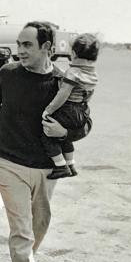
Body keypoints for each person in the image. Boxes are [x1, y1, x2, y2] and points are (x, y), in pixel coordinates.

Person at [0, 21, 89, 262]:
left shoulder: (65, 82)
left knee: (41, 221)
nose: (20, 50)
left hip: (46, 167)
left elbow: (84, 122)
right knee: (21, 228)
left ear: (47, 48)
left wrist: (64, 132)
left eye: (27, 45)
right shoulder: (7, 73)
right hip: (8, 161)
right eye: (19, 44)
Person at [41, 33, 99, 179]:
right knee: (65, 138)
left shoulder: (73, 72)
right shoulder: (92, 74)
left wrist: (48, 110)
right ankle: (71, 164)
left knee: (47, 135)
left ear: (73, 53)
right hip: (82, 108)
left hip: (68, 108)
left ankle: (60, 166)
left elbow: (63, 94)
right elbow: (89, 94)